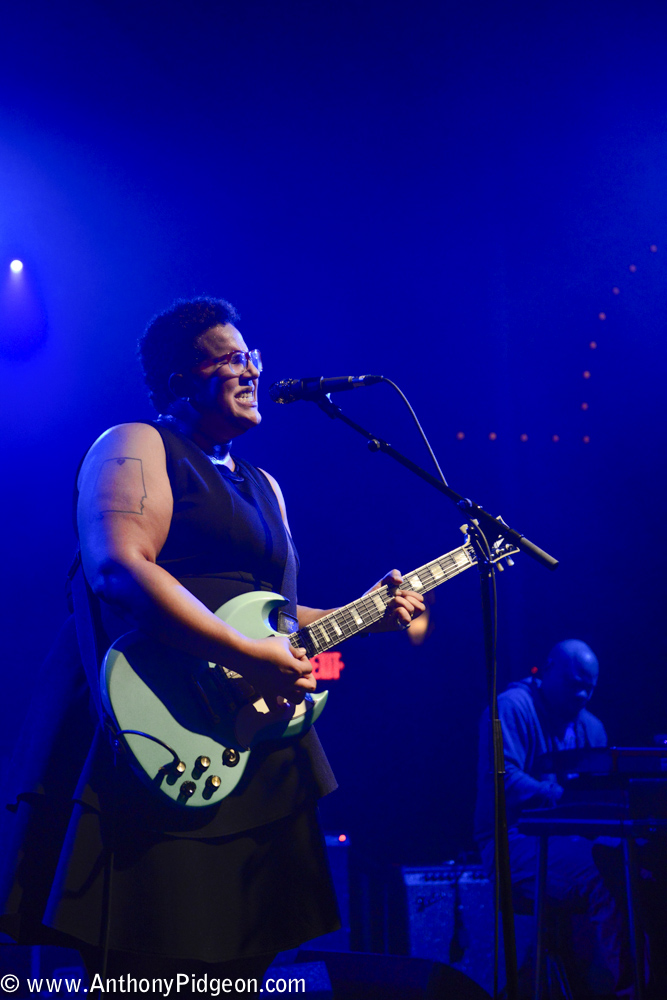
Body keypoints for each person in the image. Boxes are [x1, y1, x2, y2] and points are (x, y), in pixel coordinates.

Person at [0, 296, 425, 994]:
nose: (252, 368)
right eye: (230, 357)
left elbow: (276, 619)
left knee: (244, 965)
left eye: (252, 356)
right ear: (178, 380)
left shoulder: (264, 486)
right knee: (148, 959)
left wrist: (366, 616)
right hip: (152, 729)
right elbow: (119, 565)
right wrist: (244, 653)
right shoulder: (137, 444)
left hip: (240, 744)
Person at [474, 639, 634, 997]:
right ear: (546, 671)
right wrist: (564, 798)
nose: (581, 695)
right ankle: (630, 990)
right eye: (573, 684)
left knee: (635, 861)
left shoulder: (592, 727)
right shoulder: (510, 709)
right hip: (511, 843)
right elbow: (505, 781)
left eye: (589, 688)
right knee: (604, 874)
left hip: (570, 843)